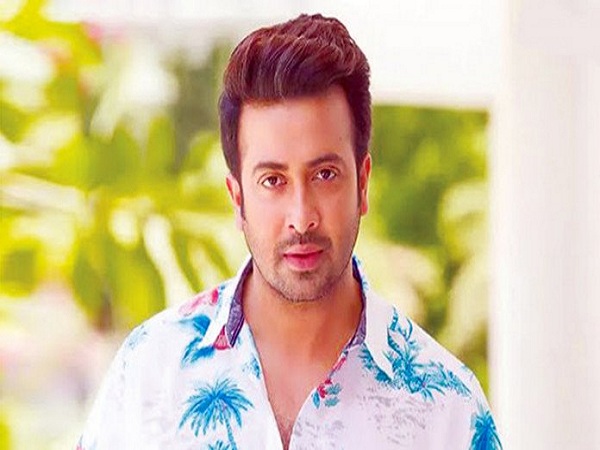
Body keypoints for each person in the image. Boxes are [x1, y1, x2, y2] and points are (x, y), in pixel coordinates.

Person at [78, 13, 502, 450]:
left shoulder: (448, 411)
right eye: (273, 180)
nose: (301, 218)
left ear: (362, 184)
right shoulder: (149, 375)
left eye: (324, 175)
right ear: (237, 197)